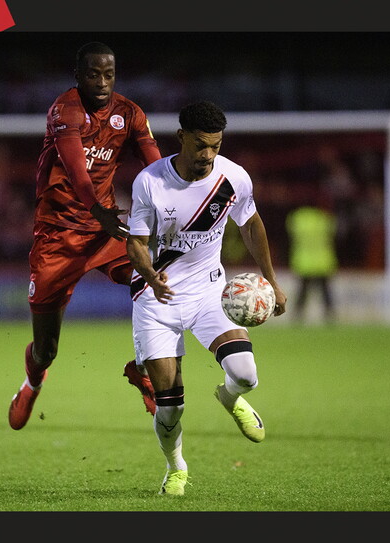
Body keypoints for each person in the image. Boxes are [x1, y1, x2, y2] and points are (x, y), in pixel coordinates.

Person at [125, 100, 288, 495]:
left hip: (209, 293)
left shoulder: (233, 178)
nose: (208, 155)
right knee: (169, 407)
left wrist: (272, 280)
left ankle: (230, 398)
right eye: (200, 145)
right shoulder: (150, 181)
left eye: (215, 146)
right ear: (181, 137)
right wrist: (150, 275)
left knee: (246, 375)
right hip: (155, 299)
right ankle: (176, 467)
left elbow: (251, 227)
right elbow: (135, 244)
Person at [9, 41, 161, 431]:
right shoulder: (65, 110)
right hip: (58, 237)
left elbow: (158, 168)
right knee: (46, 349)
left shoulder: (129, 114)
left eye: (109, 74)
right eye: (94, 74)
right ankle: (32, 381)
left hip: (104, 233)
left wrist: (182, 203)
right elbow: (77, 171)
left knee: (157, 282)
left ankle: (141, 368)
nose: (102, 82)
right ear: (78, 75)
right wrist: (99, 212)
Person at [286, 196, 338, 322]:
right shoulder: (324, 218)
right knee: (325, 292)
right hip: (323, 260)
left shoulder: (296, 218)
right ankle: (330, 316)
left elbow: (291, 237)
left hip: (304, 260)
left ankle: (297, 316)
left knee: (302, 292)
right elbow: (332, 236)